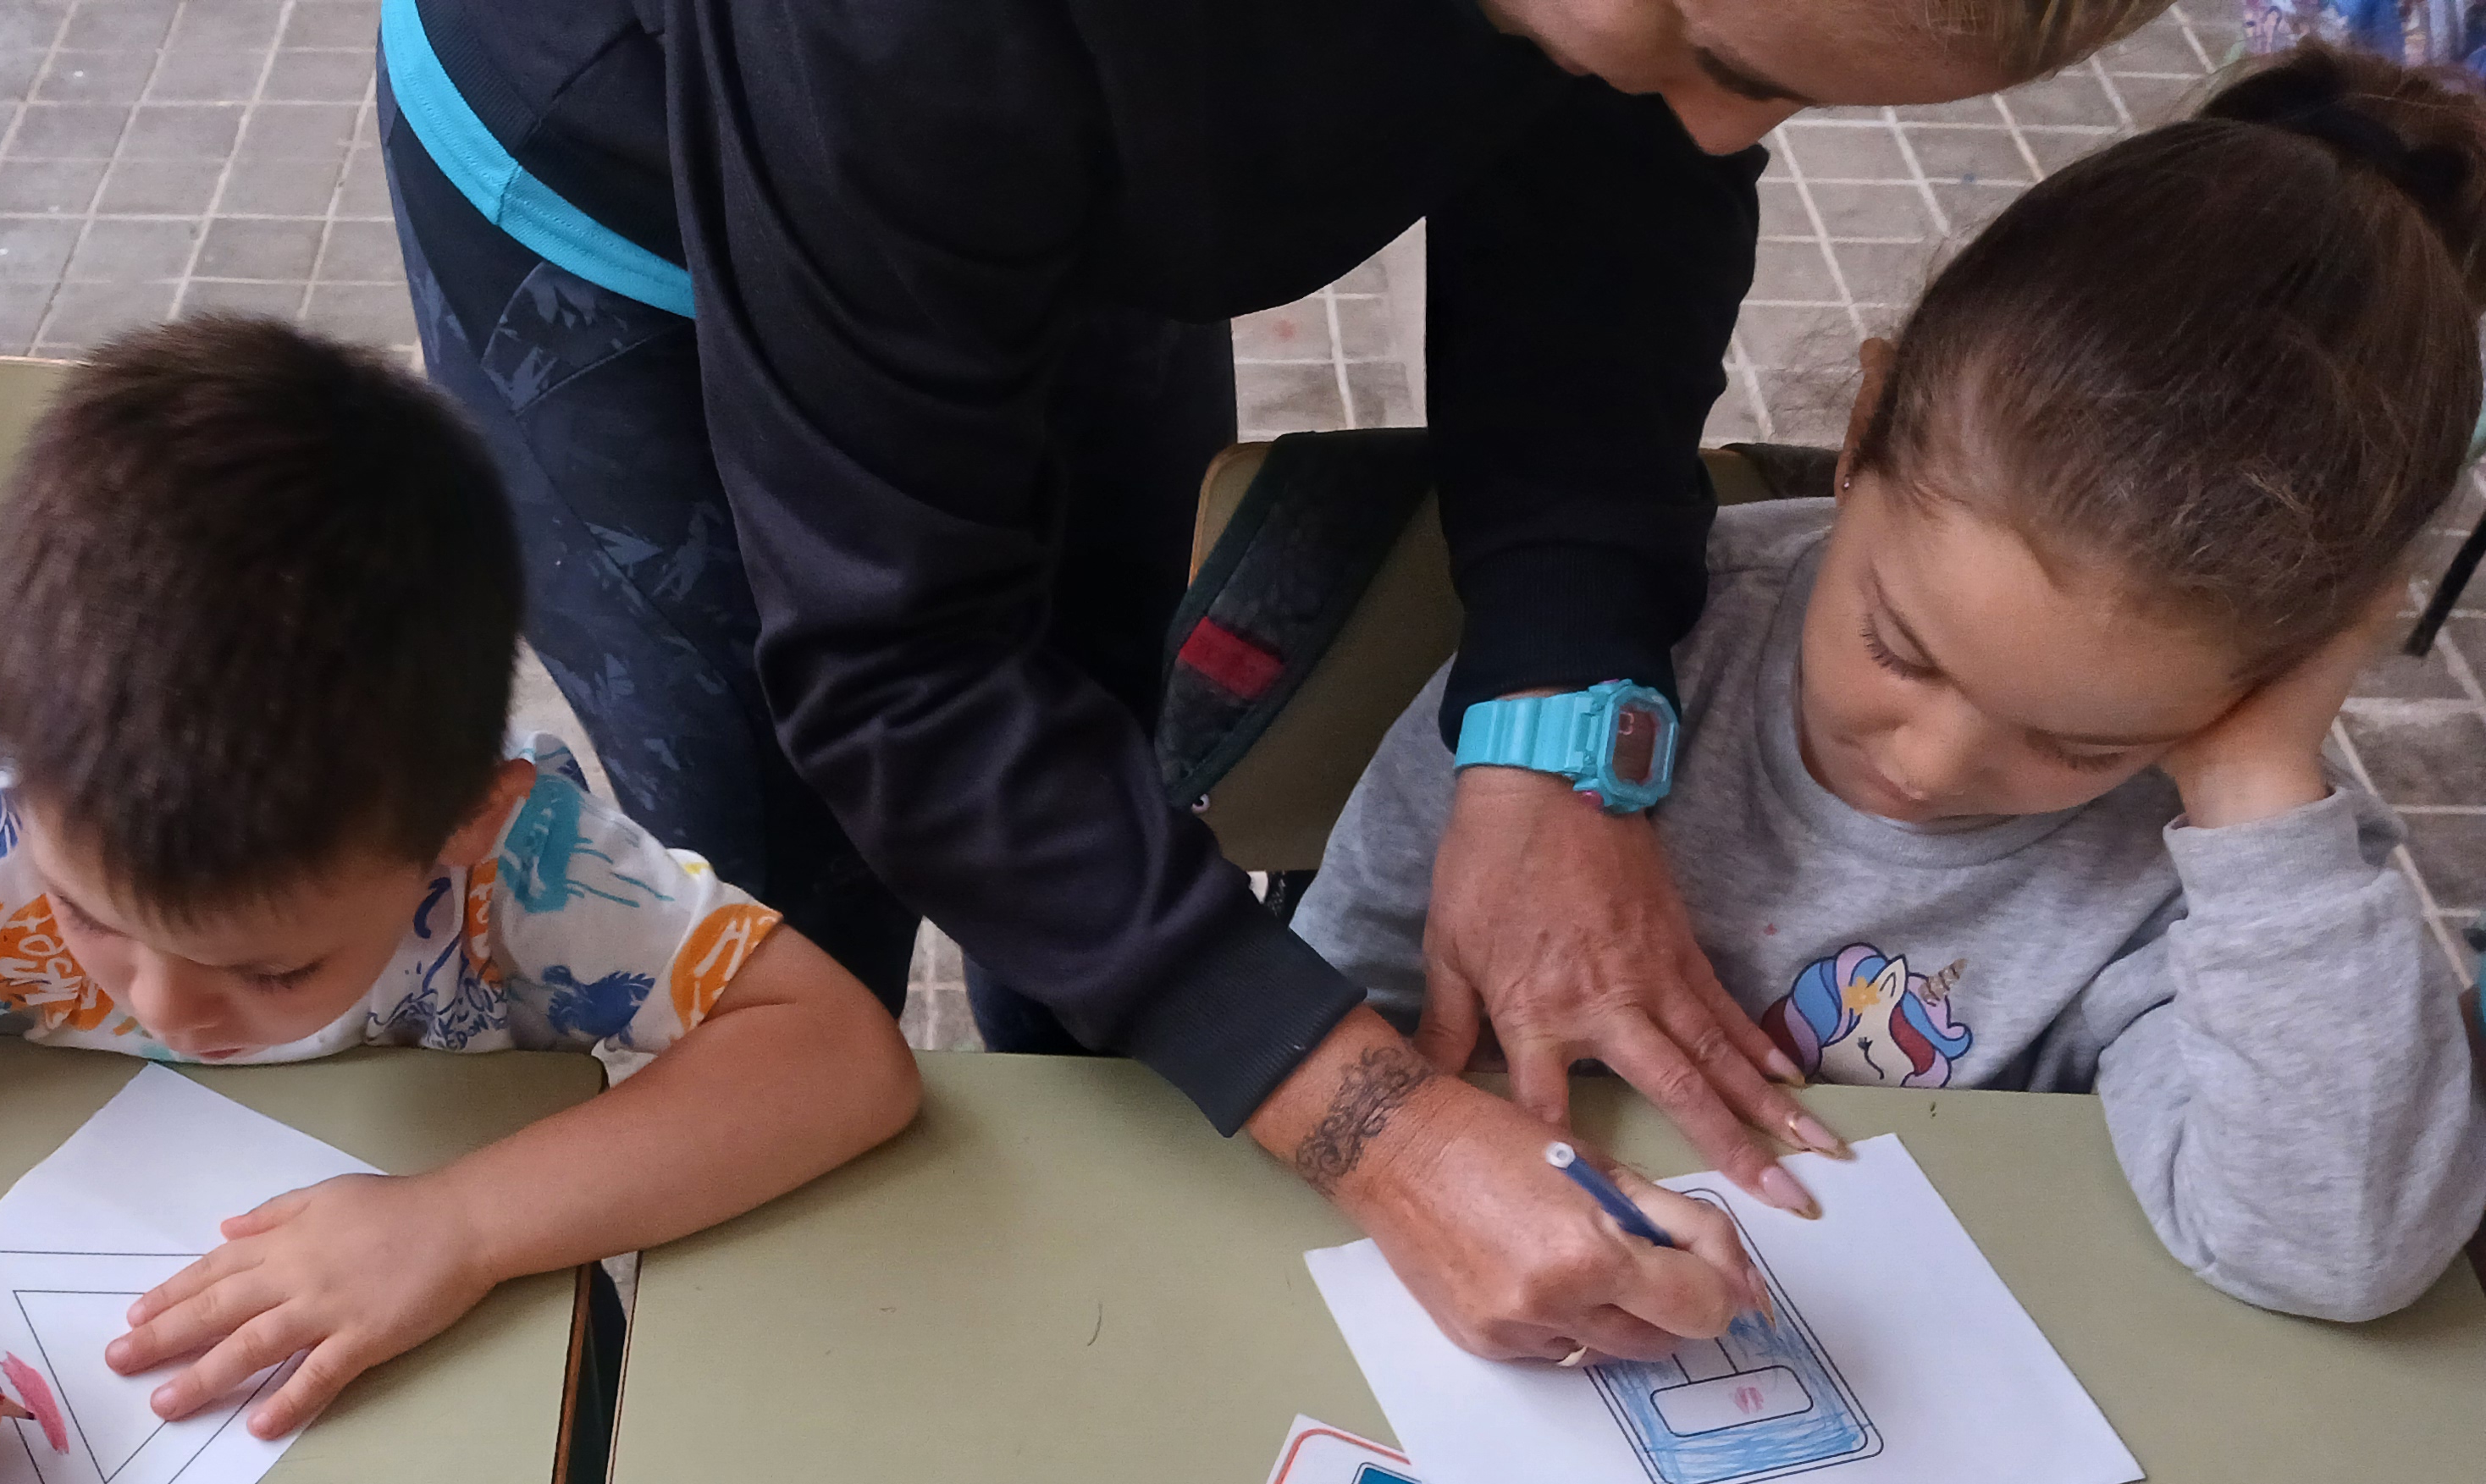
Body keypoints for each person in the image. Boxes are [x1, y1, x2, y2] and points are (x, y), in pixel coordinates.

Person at [378, 0, 2185, 1363]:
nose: (1716, 127)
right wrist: (1375, 1133)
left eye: (1784, 91)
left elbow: (1614, 219)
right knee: (796, 890)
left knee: (1121, 741)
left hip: (1056, 158)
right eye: (1709, 51)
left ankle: (1102, 1188)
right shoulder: (912, 46)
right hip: (637, 221)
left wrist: (1560, 720)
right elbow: (900, 668)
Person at [0, 317, 919, 1484]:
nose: (167, 1006)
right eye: (91, 918)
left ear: (462, 829)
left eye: (274, 968)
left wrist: (462, 1225)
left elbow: (837, 1052)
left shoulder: (522, 870)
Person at [1294, 43, 2486, 1324]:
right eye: (1900, 650)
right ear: (1864, 431)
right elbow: (1337, 999)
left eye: (2080, 746)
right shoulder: (1601, 668)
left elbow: (2331, 1252)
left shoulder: (2223, 878)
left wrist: (2253, 783)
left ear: (2284, 671)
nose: (1926, 766)